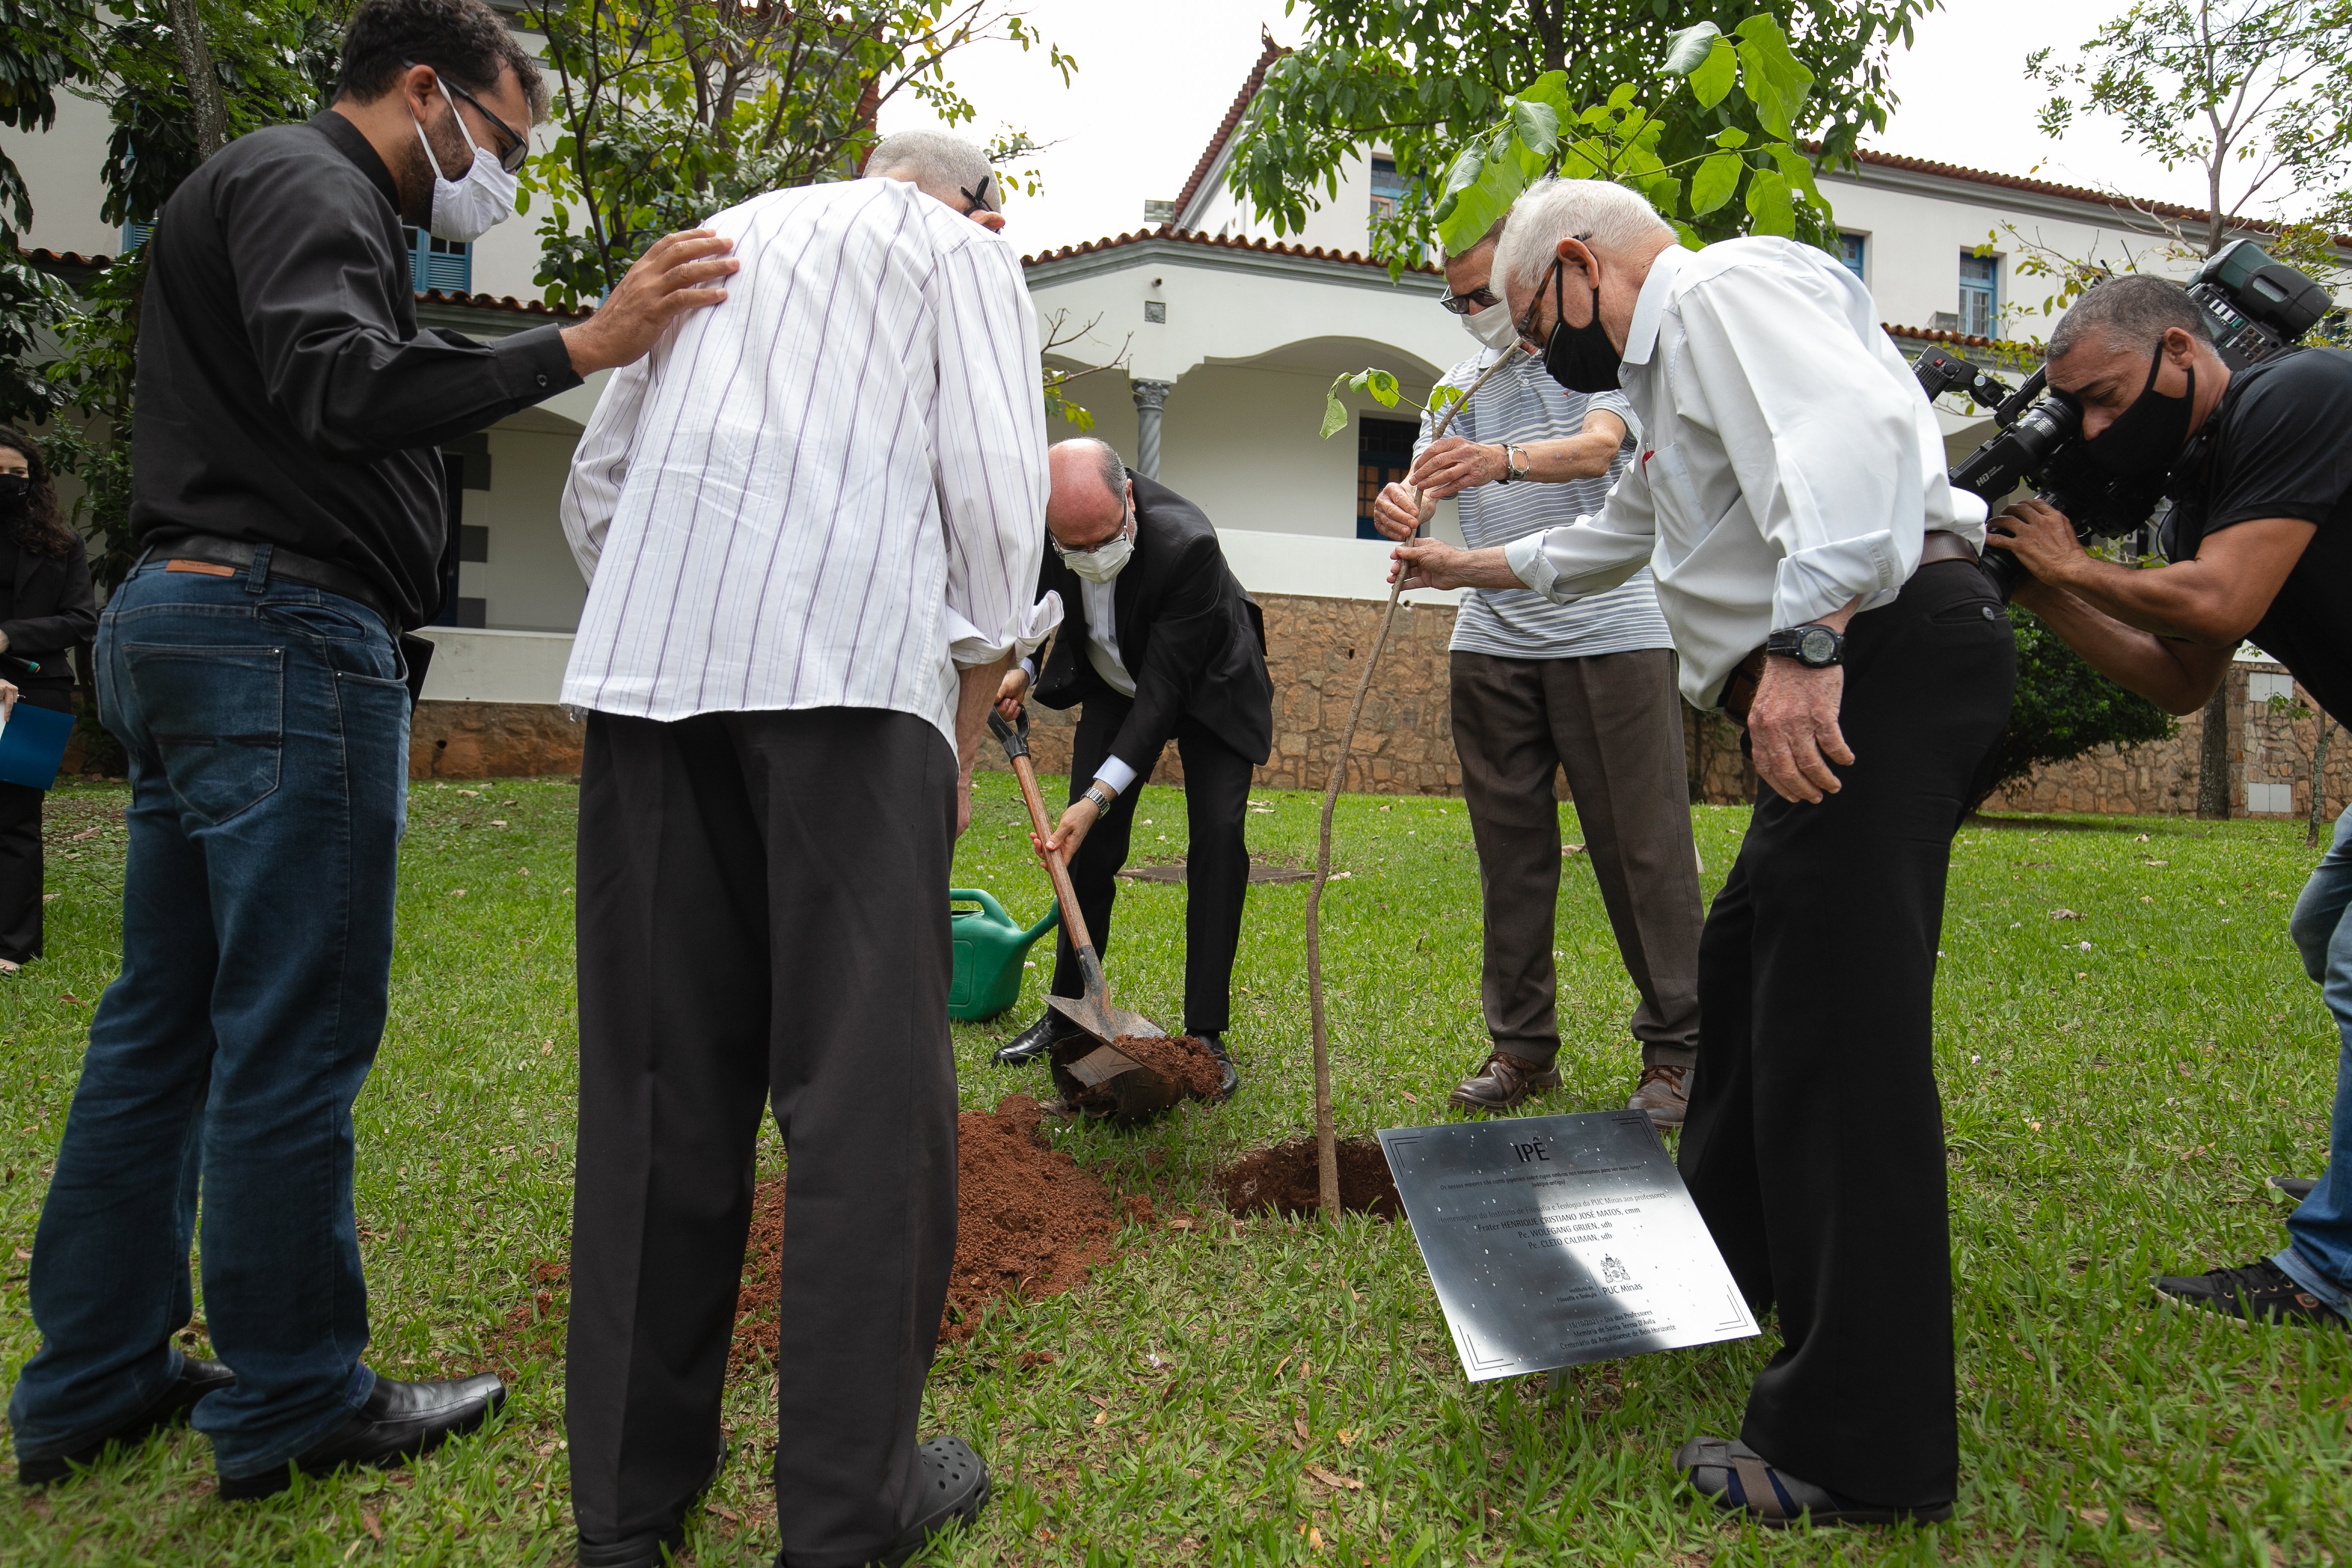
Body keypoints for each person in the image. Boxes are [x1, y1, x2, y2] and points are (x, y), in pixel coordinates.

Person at [7, 0, 734, 1500]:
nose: (505, 179)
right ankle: (289, 1396)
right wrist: (584, 341)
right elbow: (342, 386)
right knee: (288, 1031)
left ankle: (96, 1373)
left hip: (198, 631)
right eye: (508, 141)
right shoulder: (311, 183)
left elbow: (325, 384)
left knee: (168, 1020)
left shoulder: (281, 197)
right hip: (276, 638)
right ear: (427, 92)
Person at [1392, 177, 2011, 1525]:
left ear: (1574, 265)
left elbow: (1847, 442)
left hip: (1881, 657)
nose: (1542, 354)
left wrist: (1806, 646)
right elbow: (1623, 539)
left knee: (1845, 1041)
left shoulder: (1722, 290)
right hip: (1869, 658)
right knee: (1741, 976)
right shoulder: (1675, 380)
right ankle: (1718, 1270)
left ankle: (1861, 1448)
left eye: (1528, 319)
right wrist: (1469, 575)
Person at [556, 129, 1054, 1568]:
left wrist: (691, 605)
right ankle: (849, 1513)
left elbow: (600, 492)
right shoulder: (956, 256)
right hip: (852, 682)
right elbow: (990, 504)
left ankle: (626, 1520)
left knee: (656, 1090)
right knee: (863, 1103)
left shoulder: (715, 232)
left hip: (652, 685)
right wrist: (959, 724)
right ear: (970, 200)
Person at [1988, 274, 2352, 1329]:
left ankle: (2332, 1268)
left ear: (2182, 352)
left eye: (2107, 399)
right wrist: (2045, 590)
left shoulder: (2297, 397)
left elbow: (2221, 599)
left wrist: (2077, 564)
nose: (2099, 429)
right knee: (2322, 926)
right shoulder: (2202, 490)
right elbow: (2182, 677)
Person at [1367, 219, 1704, 1123]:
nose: (1476, 313)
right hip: (1492, 641)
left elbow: (1600, 448)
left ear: (1531, 278)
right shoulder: (1457, 388)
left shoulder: (1605, 364)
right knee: (1509, 858)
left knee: (1643, 851)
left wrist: (1505, 461)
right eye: (1459, 301)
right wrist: (1406, 505)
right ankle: (1521, 1046)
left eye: (1486, 294)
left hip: (1613, 633)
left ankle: (1678, 1050)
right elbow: (1424, 490)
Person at [991, 438, 1273, 1096]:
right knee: (1085, 855)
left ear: (1127, 497)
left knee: (1218, 841)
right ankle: (1069, 1017)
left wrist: (1096, 798)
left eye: (1103, 540)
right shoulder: (1058, 526)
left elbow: (1162, 702)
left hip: (1208, 689)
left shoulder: (1187, 544)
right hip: (1115, 685)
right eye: (1074, 546)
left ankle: (1204, 1034)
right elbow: (1048, 602)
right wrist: (1024, 666)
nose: (1090, 556)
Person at [0, 430, 94, 973]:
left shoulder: (63, 543)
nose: (9, 484)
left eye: (19, 475)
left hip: (41, 691)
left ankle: (12, 949)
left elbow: (83, 620)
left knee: (16, 820)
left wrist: (10, 636)